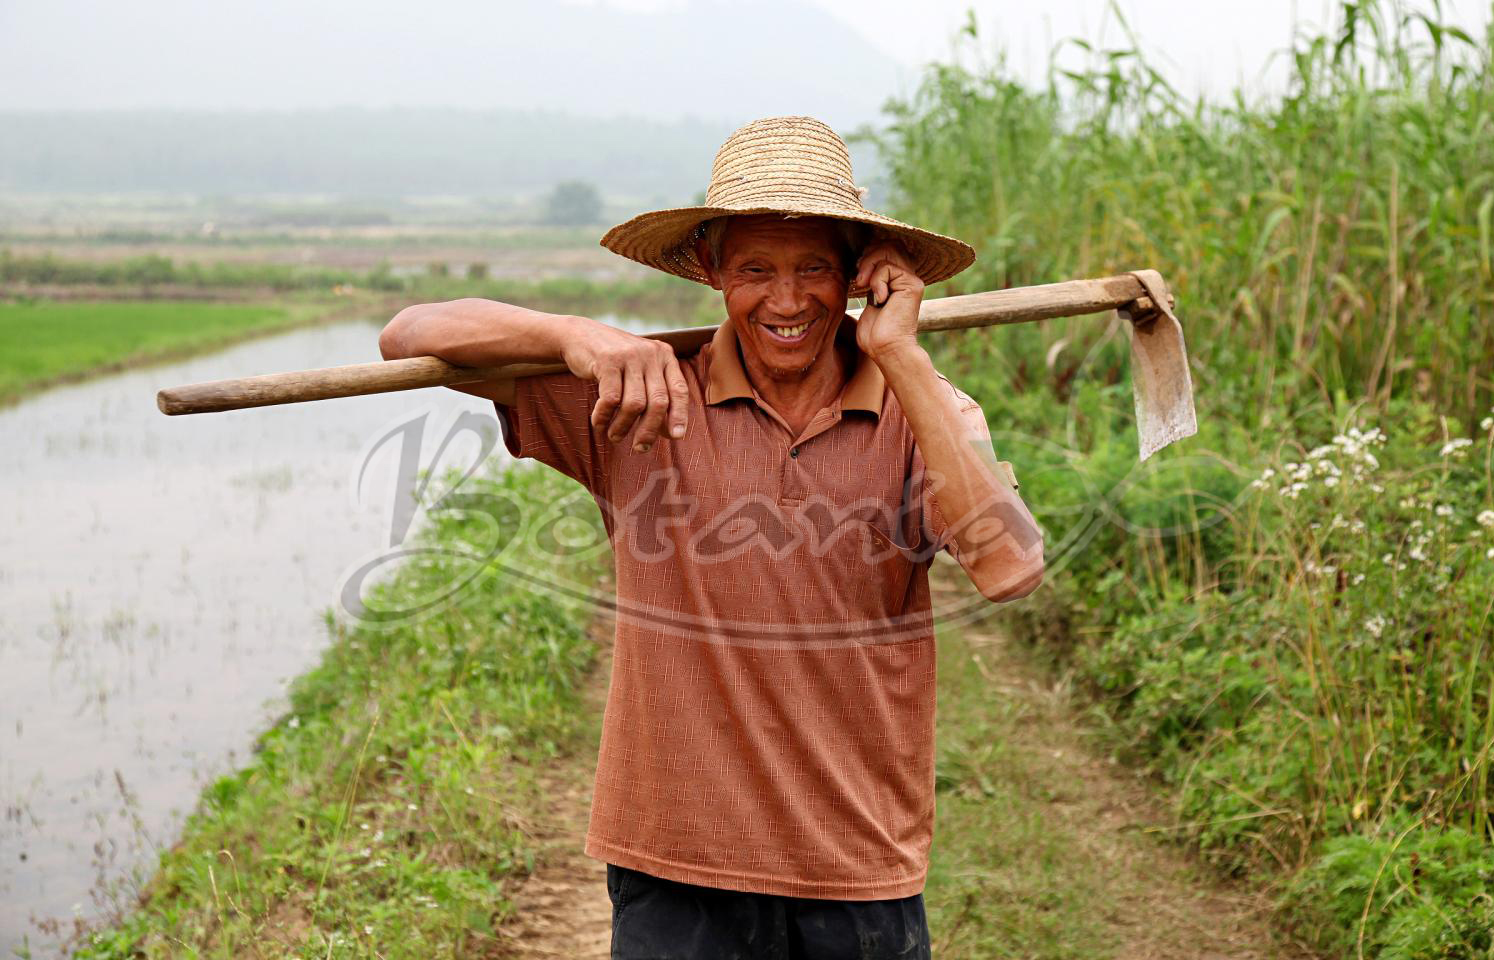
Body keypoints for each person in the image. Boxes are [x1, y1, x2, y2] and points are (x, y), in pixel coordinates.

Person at [379, 115, 1044, 959]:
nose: (788, 300)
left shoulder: (928, 411)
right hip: (677, 859)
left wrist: (903, 356)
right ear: (709, 269)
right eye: (755, 269)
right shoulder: (639, 398)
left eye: (814, 269)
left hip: (857, 863)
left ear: (856, 275)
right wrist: (576, 335)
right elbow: (408, 335)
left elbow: (1011, 567)